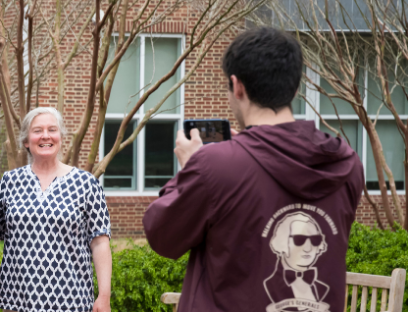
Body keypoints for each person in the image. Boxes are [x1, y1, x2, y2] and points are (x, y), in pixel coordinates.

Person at [143, 27, 364, 312]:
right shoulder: (348, 164)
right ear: (295, 88)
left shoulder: (215, 167)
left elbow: (163, 237)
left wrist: (190, 169)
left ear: (237, 86)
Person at [0, 107, 112, 312]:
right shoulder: (9, 181)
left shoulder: (86, 183)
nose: (45, 136)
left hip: (71, 301)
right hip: (16, 301)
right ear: (26, 141)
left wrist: (104, 296)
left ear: (61, 137)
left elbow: (100, 243)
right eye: (37, 130)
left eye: (52, 130)